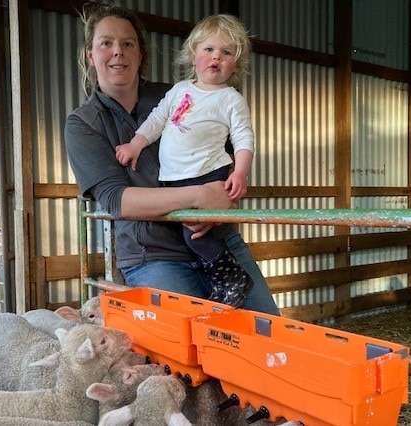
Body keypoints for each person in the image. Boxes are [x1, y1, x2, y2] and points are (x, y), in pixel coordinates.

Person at [64, 2, 279, 315]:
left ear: (141, 53)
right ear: (90, 54)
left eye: (128, 44)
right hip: (154, 254)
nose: (118, 52)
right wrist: (199, 196)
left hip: (216, 237)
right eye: (106, 43)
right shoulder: (84, 123)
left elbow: (229, 152)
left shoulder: (182, 94)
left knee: (269, 332)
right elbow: (118, 200)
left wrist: (222, 201)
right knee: (190, 348)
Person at [115, 14, 255, 307]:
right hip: (175, 179)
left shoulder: (231, 99)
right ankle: (219, 276)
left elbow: (243, 138)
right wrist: (136, 144)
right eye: (209, 49)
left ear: (235, 65)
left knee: (196, 236)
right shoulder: (179, 91)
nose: (216, 57)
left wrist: (240, 172)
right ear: (193, 57)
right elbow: (156, 120)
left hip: (206, 173)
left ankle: (231, 278)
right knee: (192, 233)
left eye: (226, 53)